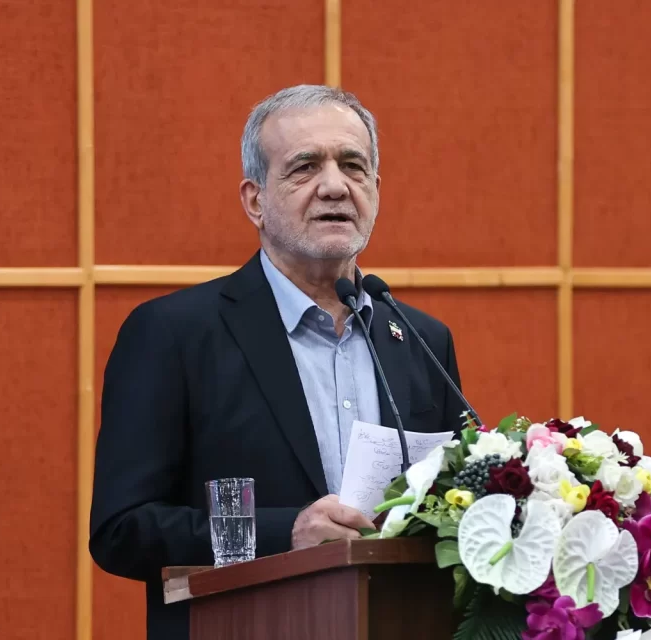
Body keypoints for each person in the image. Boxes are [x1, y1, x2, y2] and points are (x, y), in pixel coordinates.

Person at [89, 85, 467, 640]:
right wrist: (284, 533)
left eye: (353, 166)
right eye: (305, 167)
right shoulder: (173, 334)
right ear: (255, 201)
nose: (334, 185)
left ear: (376, 190)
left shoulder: (420, 339)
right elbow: (123, 530)